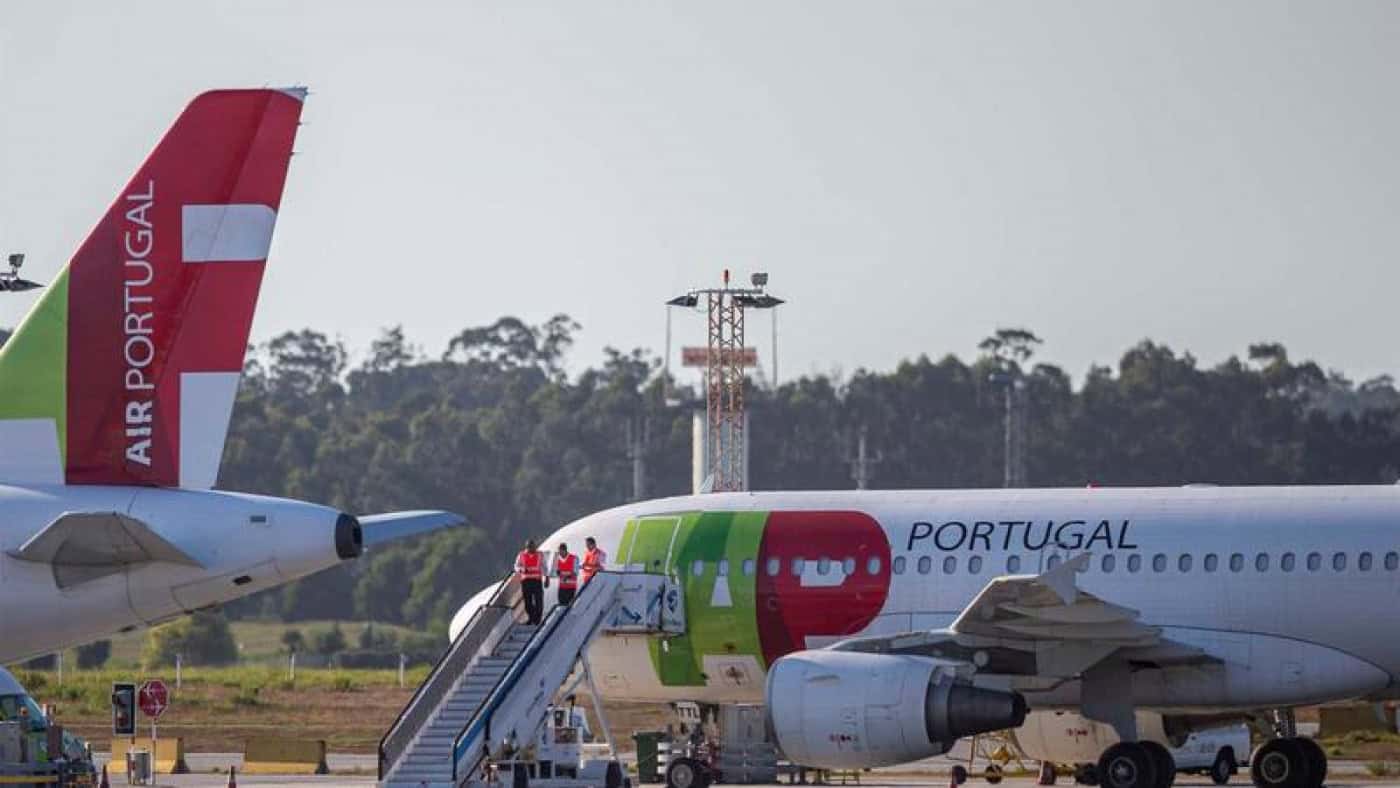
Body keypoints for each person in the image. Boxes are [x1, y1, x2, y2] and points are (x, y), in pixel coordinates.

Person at [515, 539, 546, 625]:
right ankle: (532, 618)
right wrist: (522, 569)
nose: (533, 549)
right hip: (526, 581)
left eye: (534, 547)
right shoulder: (521, 555)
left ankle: (537, 620)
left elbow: (544, 566)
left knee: (539, 601)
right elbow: (516, 566)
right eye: (531, 547)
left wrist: (546, 577)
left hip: (537, 581)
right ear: (527, 547)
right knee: (528, 603)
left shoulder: (540, 555)